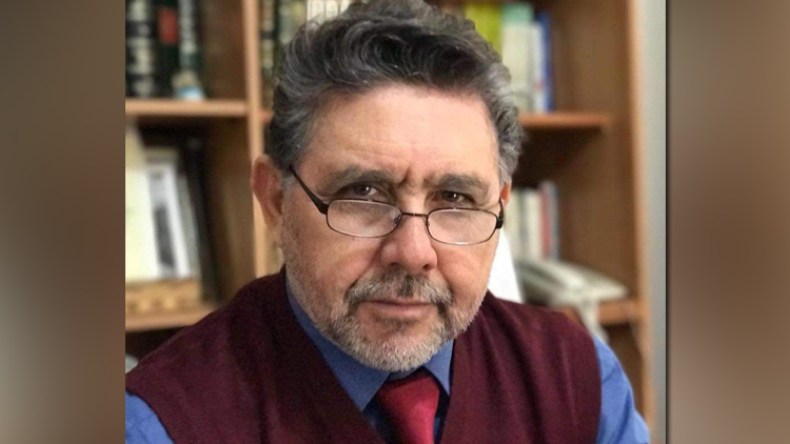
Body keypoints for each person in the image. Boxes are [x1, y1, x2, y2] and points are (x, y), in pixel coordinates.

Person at [126, 1, 649, 442]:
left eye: (455, 198)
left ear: (499, 206)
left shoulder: (579, 381)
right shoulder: (161, 423)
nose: (414, 252)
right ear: (276, 202)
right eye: (364, 194)